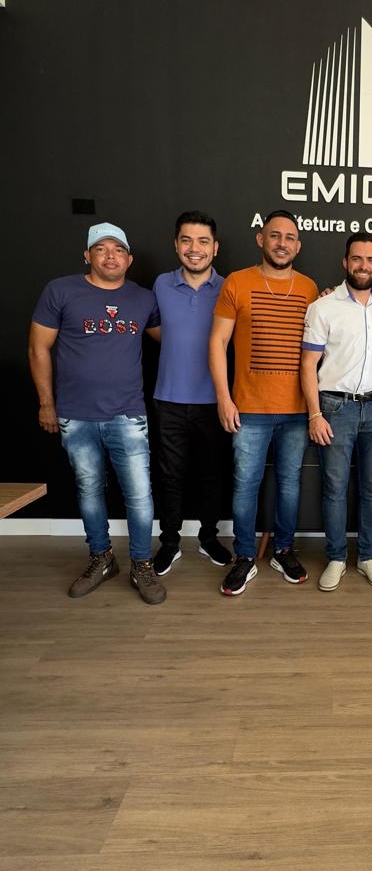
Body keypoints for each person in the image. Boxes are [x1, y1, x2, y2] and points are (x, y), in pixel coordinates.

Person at [28, 222, 166, 605]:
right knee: (89, 490)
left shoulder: (143, 298)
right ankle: (102, 558)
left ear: (129, 259)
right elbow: (38, 348)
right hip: (76, 415)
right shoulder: (61, 291)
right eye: (102, 249)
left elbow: (174, 338)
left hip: (128, 414)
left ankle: (141, 564)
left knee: (139, 494)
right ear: (87, 255)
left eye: (118, 250)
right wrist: (46, 403)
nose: (111, 256)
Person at [209, 210, 318, 596]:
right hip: (249, 408)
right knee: (245, 485)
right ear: (261, 239)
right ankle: (244, 556)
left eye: (289, 237)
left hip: (296, 410)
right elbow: (218, 342)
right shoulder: (237, 282)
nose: (281, 243)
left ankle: (283, 549)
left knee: (289, 484)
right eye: (275, 235)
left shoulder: (309, 288)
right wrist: (224, 398)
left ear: (298, 245)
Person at [301, 235, 372, 591]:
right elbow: (307, 364)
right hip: (335, 408)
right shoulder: (323, 307)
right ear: (345, 262)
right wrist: (314, 414)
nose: (363, 265)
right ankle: (337, 558)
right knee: (335, 488)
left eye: (370, 260)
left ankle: (368, 557)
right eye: (357, 258)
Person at [150, 211, 231, 576]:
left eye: (202, 241)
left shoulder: (229, 287)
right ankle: (169, 543)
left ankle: (208, 538)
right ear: (176, 245)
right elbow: (153, 328)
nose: (194, 249)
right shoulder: (161, 284)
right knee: (170, 476)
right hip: (168, 398)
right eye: (187, 240)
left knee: (211, 475)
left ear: (215, 248)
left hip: (214, 400)